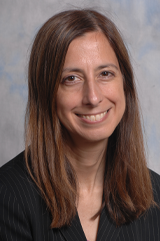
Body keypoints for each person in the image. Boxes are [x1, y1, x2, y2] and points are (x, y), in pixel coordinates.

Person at [0, 9, 160, 241]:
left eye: (105, 73)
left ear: (125, 85)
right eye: (71, 78)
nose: (93, 98)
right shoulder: (7, 197)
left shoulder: (155, 195)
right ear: (47, 93)